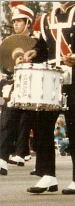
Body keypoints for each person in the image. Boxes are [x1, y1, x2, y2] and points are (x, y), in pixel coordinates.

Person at [23, 1, 75, 194]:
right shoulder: (47, 18)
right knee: (43, 126)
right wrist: (35, 52)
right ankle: (48, 176)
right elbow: (44, 47)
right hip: (51, 78)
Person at [0, 2, 36, 174]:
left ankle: (40, 164)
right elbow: (5, 66)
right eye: (14, 21)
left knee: (35, 125)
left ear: (28, 22)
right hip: (16, 85)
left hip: (35, 87)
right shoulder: (9, 43)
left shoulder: (38, 42)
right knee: (7, 121)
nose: (15, 24)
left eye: (19, 21)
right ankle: (2, 160)